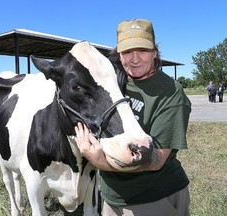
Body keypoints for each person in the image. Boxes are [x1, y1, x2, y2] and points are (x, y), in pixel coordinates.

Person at [75, 19, 191, 216]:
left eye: (143, 51)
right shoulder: (113, 83)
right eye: (127, 52)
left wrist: (100, 161)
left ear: (155, 51)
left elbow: (156, 161)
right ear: (119, 55)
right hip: (113, 195)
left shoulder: (170, 92)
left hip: (154, 197)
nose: (134, 59)